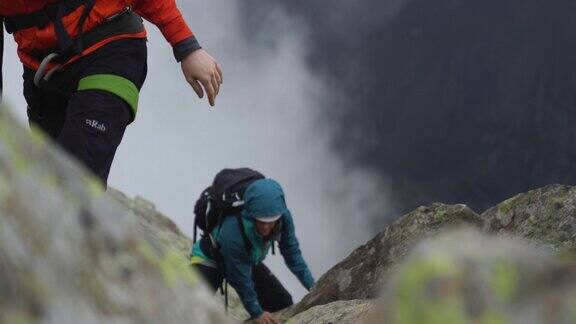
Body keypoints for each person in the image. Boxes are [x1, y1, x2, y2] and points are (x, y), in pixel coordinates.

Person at [0, 0, 222, 185]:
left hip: (111, 50)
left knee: (73, 174)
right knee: (41, 175)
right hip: (41, 69)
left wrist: (187, 46)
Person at [190, 178, 315, 324]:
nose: (265, 228)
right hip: (210, 260)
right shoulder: (233, 230)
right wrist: (256, 312)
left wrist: (313, 286)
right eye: (261, 221)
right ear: (250, 213)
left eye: (270, 222)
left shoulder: (283, 218)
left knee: (281, 303)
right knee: (190, 307)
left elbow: (293, 254)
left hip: (246, 257)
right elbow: (239, 277)